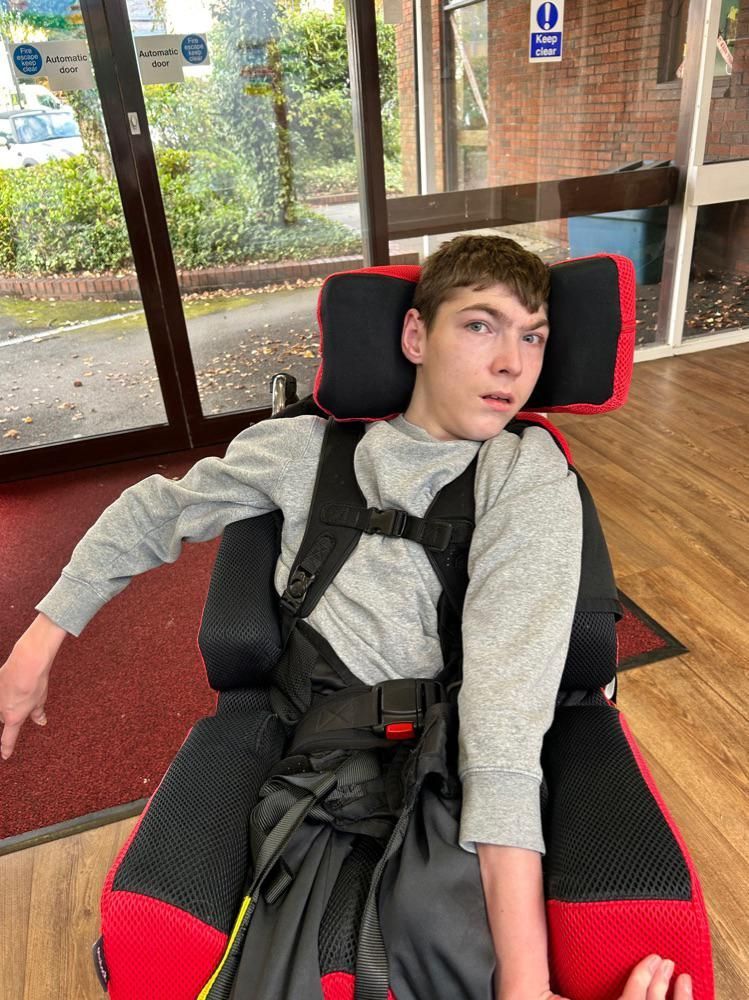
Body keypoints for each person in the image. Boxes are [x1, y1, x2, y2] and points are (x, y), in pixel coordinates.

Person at [0, 236, 692, 1000]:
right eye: (480, 325)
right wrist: (37, 646)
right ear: (415, 336)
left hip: (457, 779)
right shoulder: (300, 450)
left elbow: (501, 717)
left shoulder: (523, 473)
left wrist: (522, 988)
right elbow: (150, 513)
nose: (511, 363)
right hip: (315, 775)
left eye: (532, 336)